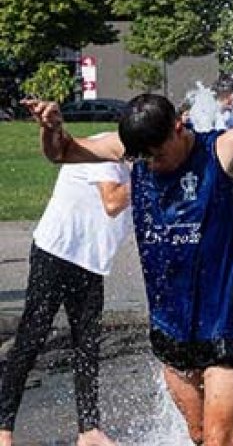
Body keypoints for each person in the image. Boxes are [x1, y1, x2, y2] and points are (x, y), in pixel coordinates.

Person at [21, 4, 233, 446]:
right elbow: (63, 152)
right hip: (171, 325)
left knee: (222, 439)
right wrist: (52, 128)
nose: (149, 165)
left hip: (225, 322)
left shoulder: (224, 151)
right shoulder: (132, 151)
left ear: (180, 127)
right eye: (141, 157)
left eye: (157, 155)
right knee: (200, 435)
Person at [0, 140, 130, 446]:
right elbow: (112, 201)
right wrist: (150, 174)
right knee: (31, 339)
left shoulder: (134, 161)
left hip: (91, 261)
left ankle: (89, 430)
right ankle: (3, 427)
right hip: (56, 252)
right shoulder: (104, 149)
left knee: (88, 344)